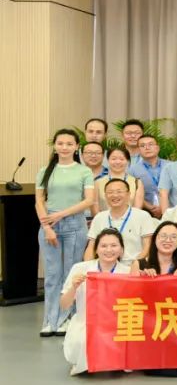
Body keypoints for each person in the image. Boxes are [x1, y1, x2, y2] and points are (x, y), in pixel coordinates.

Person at [35, 129, 94, 336]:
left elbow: (89, 200)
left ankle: (67, 318)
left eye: (69, 144)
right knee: (52, 275)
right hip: (49, 225)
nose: (65, 147)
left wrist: (61, 214)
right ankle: (50, 320)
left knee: (71, 273)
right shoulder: (45, 171)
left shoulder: (84, 171)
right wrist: (47, 227)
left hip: (75, 225)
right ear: (55, 146)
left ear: (77, 147)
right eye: (60, 143)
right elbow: (39, 201)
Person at [60, 229, 130, 374]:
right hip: (86, 323)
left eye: (114, 245)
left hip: (118, 324)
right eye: (103, 246)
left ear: (121, 250)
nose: (109, 250)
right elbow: (64, 305)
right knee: (85, 342)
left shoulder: (128, 272)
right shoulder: (80, 268)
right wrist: (74, 287)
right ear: (96, 249)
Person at [86, 178, 155, 264]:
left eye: (119, 192)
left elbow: (148, 246)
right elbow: (91, 247)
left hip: (133, 265)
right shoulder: (99, 217)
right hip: (105, 266)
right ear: (105, 196)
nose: (115, 195)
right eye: (110, 192)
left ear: (128, 194)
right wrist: (87, 266)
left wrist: (136, 264)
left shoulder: (142, 216)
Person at [94, 147, 144, 214]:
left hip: (131, 219)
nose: (117, 162)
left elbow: (137, 210)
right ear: (108, 160)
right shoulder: (98, 182)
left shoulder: (137, 182)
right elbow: (95, 208)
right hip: (104, 219)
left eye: (121, 159)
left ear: (128, 161)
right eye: (114, 159)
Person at [129, 134, 165, 218]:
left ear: (157, 148)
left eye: (150, 144)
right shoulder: (132, 170)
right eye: (142, 146)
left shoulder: (170, 166)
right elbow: (132, 193)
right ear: (138, 150)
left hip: (170, 210)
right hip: (145, 213)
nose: (147, 148)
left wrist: (163, 206)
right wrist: (149, 207)